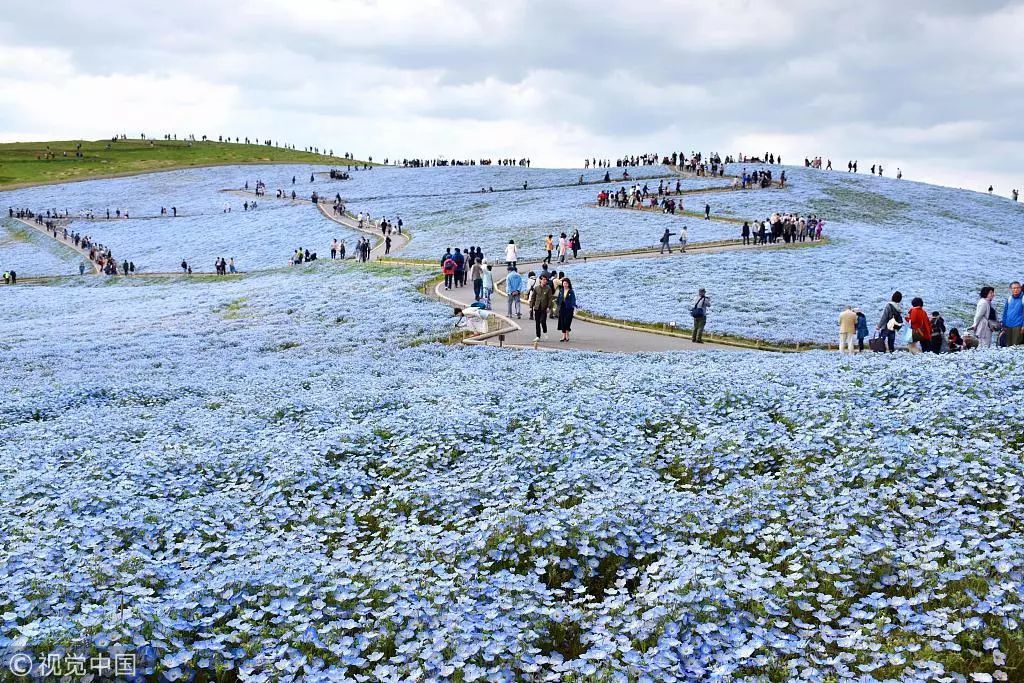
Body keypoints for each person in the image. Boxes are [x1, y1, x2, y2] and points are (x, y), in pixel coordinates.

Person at [531, 273, 553, 342]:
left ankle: (545, 332)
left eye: (545, 280)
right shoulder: (536, 288)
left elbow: (550, 298)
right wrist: (531, 306)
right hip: (537, 307)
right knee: (537, 322)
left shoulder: (548, 288)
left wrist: (548, 307)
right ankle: (538, 336)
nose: (544, 281)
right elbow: (533, 297)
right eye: (543, 279)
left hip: (544, 307)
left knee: (543, 321)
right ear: (540, 280)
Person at [1002, 281, 1024, 346]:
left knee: (1015, 345)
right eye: (1014, 288)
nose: (1016, 290)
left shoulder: (1023, 298)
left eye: (1017, 288)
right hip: (1008, 326)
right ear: (1010, 289)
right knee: (1008, 345)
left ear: (1020, 288)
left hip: (1018, 326)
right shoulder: (1009, 298)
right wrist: (1004, 324)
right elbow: (1005, 312)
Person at [556, 277, 577, 342]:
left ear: (568, 284)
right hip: (562, 308)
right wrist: (557, 304)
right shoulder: (561, 291)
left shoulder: (571, 291)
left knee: (567, 321)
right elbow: (559, 298)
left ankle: (567, 334)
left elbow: (573, 300)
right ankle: (563, 335)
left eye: (566, 283)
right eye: (564, 283)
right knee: (562, 321)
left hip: (569, 308)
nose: (565, 285)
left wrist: (573, 306)